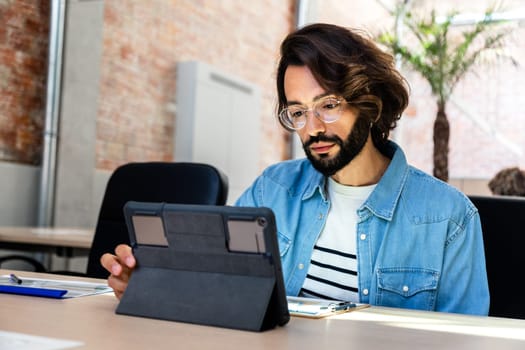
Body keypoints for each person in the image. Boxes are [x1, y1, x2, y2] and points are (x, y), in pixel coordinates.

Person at [101, 23, 489, 315]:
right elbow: (214, 287)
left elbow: (466, 340)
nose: (313, 127)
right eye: (299, 112)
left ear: (369, 103)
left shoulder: (449, 218)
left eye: (329, 105)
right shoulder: (271, 190)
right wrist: (150, 284)